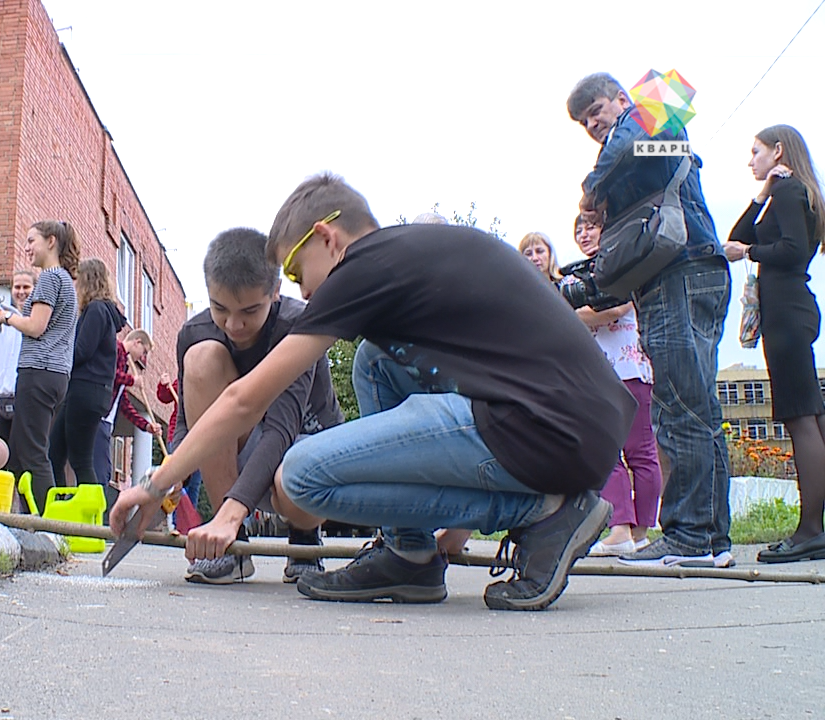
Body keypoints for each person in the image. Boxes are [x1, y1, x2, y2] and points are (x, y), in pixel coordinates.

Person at [114, 173, 635, 611]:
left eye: (296, 271)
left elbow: (244, 400)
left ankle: (542, 514)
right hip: (569, 420)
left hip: (551, 430)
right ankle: (409, 555)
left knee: (300, 475)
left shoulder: (363, 268)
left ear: (326, 237)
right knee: (374, 361)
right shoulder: (402, 258)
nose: (303, 292)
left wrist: (156, 485)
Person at [569, 72, 733, 568]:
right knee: (698, 408)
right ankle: (711, 540)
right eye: (583, 122)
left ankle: (689, 537)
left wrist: (592, 187)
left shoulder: (651, 117)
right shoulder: (651, 149)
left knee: (679, 409)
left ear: (622, 98)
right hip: (685, 275)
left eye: (596, 111)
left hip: (680, 274)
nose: (592, 125)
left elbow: (668, 92)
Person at [160, 228, 343, 585]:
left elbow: (281, 430)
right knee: (201, 359)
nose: (234, 325)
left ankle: (305, 538)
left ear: (275, 292)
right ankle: (233, 549)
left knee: (291, 482)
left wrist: (232, 511)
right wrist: (168, 479)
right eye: (220, 308)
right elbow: (187, 425)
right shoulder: (195, 333)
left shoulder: (298, 325)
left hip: (303, 446)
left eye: (249, 310)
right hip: (248, 446)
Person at [724, 124, 825, 563]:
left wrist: (749, 254)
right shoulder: (788, 191)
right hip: (791, 309)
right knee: (811, 417)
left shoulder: (790, 190)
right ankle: (813, 530)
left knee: (800, 417)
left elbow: (790, 249)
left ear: (778, 150)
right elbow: (740, 232)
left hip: (786, 311)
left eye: (756, 152)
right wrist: (762, 192)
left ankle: (810, 532)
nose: (751, 160)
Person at [572, 215, 662, 556]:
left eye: (590, 227)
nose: (584, 234)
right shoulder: (581, 273)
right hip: (603, 372)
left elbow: (616, 308)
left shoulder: (620, 265)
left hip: (627, 368)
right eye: (578, 230)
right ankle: (629, 532)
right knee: (619, 452)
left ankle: (630, 531)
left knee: (628, 451)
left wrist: (575, 313)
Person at [0, 221, 79, 514]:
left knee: (33, 453)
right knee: (17, 453)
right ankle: (18, 518)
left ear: (51, 241)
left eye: (31, 241)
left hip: (39, 371)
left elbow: (36, 326)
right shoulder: (65, 280)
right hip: (55, 374)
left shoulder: (50, 278)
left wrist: (6, 317)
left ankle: (47, 523)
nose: (26, 247)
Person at [48, 259, 125, 492]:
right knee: (56, 453)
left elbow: (81, 351)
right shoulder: (105, 312)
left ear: (86, 281)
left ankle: (90, 510)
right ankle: (61, 504)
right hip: (93, 392)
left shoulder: (96, 310)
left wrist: (56, 352)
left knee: (79, 459)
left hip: (84, 390)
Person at [93, 329, 160, 506]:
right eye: (144, 352)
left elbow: (124, 404)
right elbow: (108, 374)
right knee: (101, 471)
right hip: (98, 419)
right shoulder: (115, 350)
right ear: (137, 342)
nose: (142, 357)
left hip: (107, 422)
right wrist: (132, 381)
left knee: (103, 471)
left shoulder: (124, 362)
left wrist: (146, 426)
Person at [0, 269, 36, 474]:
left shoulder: (38, 324)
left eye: (26, 287)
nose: (21, 292)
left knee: (21, 461)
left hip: (26, 400)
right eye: (17, 287)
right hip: (1, 401)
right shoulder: (2, 323)